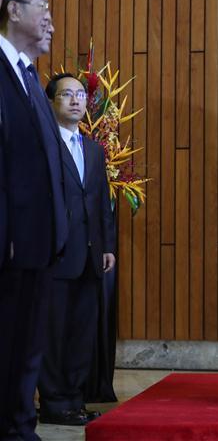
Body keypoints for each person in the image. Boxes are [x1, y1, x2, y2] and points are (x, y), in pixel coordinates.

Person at [0, 0, 68, 440]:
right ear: (13, 9)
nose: (48, 15)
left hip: (38, 242)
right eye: (41, 5)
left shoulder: (30, 77)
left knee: (27, 347)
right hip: (7, 241)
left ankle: (20, 426)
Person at [37, 73, 116, 427]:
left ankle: (74, 399)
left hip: (90, 254)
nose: (75, 101)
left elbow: (100, 203)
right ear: (50, 102)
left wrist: (107, 246)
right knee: (53, 332)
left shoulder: (94, 150)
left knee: (82, 331)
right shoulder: (42, 144)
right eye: (66, 95)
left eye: (81, 95)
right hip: (54, 253)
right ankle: (53, 402)